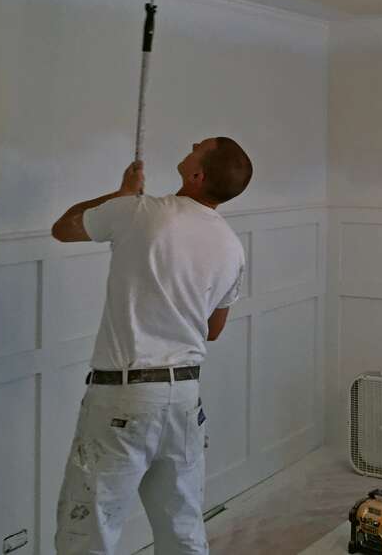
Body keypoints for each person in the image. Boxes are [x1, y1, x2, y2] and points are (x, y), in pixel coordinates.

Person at [50, 137, 253, 555]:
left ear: (197, 176)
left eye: (201, 146)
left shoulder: (140, 212)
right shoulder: (232, 246)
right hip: (183, 400)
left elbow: (63, 227)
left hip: (123, 398)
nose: (194, 142)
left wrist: (121, 193)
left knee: (88, 534)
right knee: (182, 528)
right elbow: (213, 329)